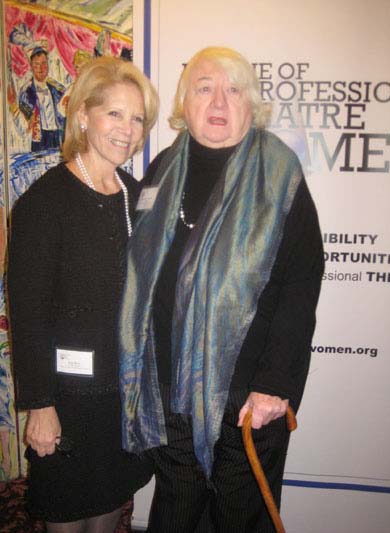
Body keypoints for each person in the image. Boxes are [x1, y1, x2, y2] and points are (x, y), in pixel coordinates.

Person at [119, 46, 324, 532]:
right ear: (184, 104)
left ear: (251, 107)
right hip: (170, 394)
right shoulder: (164, 169)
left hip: (247, 401)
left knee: (239, 516)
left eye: (233, 90)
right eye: (204, 88)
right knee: (175, 512)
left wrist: (276, 384)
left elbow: (301, 283)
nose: (218, 102)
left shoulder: (278, 173)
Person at [8, 56, 159, 532]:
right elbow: (27, 314)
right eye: (114, 113)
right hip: (66, 399)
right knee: (66, 519)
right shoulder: (45, 202)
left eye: (137, 119)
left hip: (121, 398)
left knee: (110, 512)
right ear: (82, 115)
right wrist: (41, 405)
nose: (127, 129)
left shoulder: (138, 197)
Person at [17, 43, 66, 152]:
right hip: (39, 137)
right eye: (36, 64)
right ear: (31, 66)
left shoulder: (58, 89)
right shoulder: (26, 91)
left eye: (44, 63)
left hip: (57, 135)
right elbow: (25, 122)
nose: (40, 68)